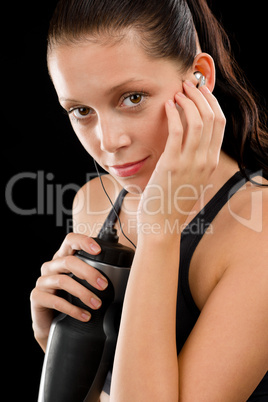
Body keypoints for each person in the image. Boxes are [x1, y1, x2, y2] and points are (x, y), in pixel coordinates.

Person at [30, 0, 268, 400]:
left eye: (132, 98)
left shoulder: (257, 233)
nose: (108, 141)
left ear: (199, 78)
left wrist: (160, 228)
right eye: (81, 110)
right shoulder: (93, 203)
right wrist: (53, 342)